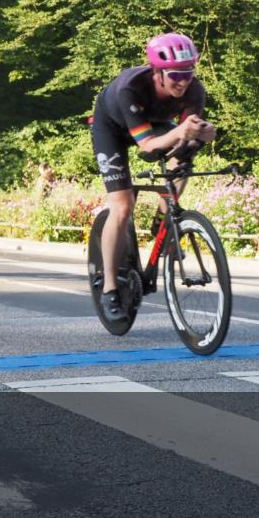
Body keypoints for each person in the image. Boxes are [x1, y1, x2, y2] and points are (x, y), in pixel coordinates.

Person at [90, 32, 216, 321]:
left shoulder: (195, 90)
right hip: (112, 129)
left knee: (186, 155)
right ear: (158, 72)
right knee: (121, 208)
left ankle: (164, 220)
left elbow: (185, 136)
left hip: (157, 124)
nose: (183, 82)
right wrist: (182, 131)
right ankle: (109, 287)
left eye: (188, 73)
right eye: (175, 75)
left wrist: (204, 134)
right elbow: (147, 147)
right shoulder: (130, 88)